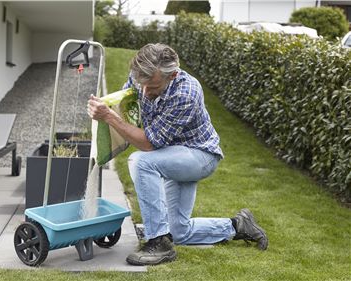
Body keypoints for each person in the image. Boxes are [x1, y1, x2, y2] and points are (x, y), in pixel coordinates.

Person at [87, 43, 268, 266]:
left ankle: (158, 243)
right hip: (171, 154)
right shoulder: (141, 76)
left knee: (141, 162)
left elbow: (149, 144)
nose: (145, 92)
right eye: (142, 84)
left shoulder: (186, 92)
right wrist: (104, 108)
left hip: (199, 156)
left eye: (152, 86)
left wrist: (109, 118)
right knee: (179, 232)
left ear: (171, 75)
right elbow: (128, 102)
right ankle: (238, 225)